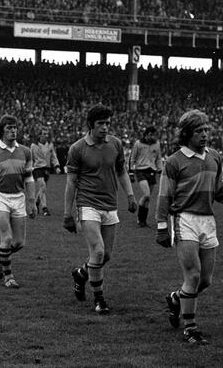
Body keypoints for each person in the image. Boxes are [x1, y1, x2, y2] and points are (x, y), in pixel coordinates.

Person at [156, 109, 223, 345]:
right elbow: (164, 195)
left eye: (206, 130)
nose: (204, 135)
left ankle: (176, 299)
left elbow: (221, 186)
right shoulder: (174, 161)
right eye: (199, 131)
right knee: (193, 275)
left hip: (207, 220)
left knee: (205, 281)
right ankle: (190, 328)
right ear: (186, 134)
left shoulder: (213, 156)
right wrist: (162, 225)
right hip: (184, 219)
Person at [63, 105, 137, 314]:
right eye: (101, 124)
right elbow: (71, 182)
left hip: (110, 205)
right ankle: (99, 299)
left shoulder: (115, 144)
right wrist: (68, 214)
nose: (105, 128)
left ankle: (80, 274)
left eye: (107, 123)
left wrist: (130, 195)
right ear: (90, 125)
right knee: (98, 251)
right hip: (87, 205)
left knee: (106, 256)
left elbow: (122, 171)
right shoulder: (77, 148)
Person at [0, 115, 37, 289]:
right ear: (2, 131)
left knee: (19, 243)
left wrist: (32, 201)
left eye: (15, 127)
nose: (13, 130)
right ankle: (8, 276)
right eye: (9, 128)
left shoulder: (26, 151)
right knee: (6, 238)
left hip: (18, 197)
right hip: (0, 197)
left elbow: (29, 178)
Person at [130, 126, 162, 227]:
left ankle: (143, 221)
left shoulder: (156, 144)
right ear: (146, 134)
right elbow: (132, 158)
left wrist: (160, 169)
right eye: (150, 135)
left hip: (152, 171)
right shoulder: (138, 144)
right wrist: (131, 172)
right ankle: (139, 218)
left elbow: (159, 158)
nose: (152, 137)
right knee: (147, 195)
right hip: (141, 171)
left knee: (148, 199)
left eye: (154, 135)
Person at [30, 127, 61, 216]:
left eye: (47, 134)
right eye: (44, 134)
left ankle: (36, 203)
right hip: (37, 168)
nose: (46, 135)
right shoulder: (33, 146)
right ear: (39, 135)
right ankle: (44, 208)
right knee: (42, 186)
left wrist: (57, 166)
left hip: (47, 168)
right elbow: (30, 158)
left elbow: (53, 156)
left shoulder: (50, 145)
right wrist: (29, 168)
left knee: (42, 189)